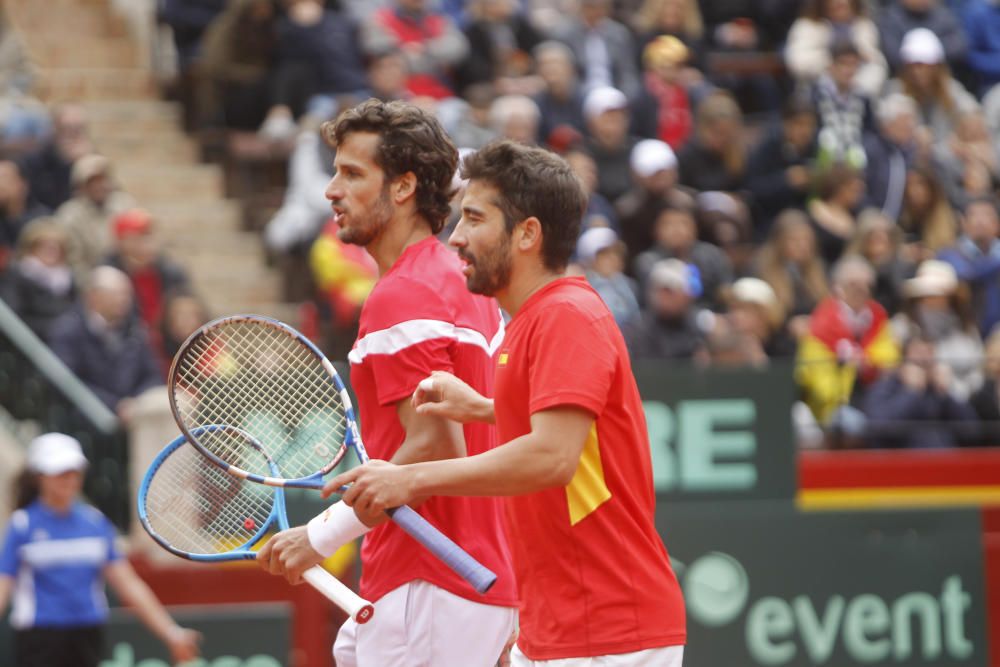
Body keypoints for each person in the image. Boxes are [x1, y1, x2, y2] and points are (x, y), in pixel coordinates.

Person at [319, 139, 687, 665]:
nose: (458, 237)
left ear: (527, 234)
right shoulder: (530, 323)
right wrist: (486, 408)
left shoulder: (567, 316)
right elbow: (578, 429)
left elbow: (553, 457)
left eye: (473, 219)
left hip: (608, 630)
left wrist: (410, 479)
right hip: (560, 624)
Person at [256, 100, 518, 667]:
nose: (331, 190)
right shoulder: (464, 282)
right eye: (335, 171)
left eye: (352, 173)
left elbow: (431, 447)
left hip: (430, 584)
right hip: (471, 578)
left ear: (402, 188)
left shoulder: (404, 295)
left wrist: (320, 537)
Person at [0, 433, 201, 667]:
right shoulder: (22, 525)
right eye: (59, 472)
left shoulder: (95, 522)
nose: (69, 479)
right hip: (38, 636)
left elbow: (128, 584)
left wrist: (171, 632)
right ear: (39, 477)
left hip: (88, 634)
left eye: (73, 471)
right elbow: (3, 587)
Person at [47, 266, 164, 419]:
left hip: (135, 411)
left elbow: (154, 375)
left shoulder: (135, 330)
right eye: (116, 294)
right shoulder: (68, 330)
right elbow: (67, 382)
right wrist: (115, 406)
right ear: (93, 296)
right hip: (89, 416)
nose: (124, 300)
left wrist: (134, 403)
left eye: (127, 294)